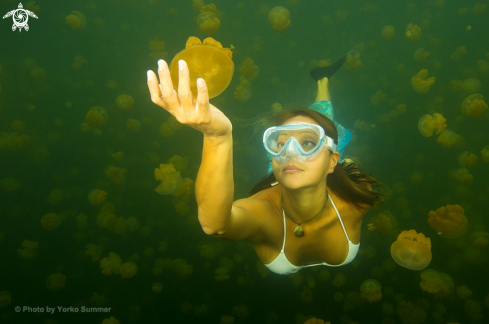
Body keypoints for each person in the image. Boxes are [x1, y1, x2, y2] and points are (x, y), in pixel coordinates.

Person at [147, 56, 382, 275]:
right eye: (279, 144)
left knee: (326, 117)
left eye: (308, 143)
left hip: (332, 170)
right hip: (281, 178)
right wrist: (217, 135)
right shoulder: (263, 212)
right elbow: (214, 226)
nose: (290, 152)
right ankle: (321, 81)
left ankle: (322, 80)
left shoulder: (357, 199)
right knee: (324, 120)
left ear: (332, 161)